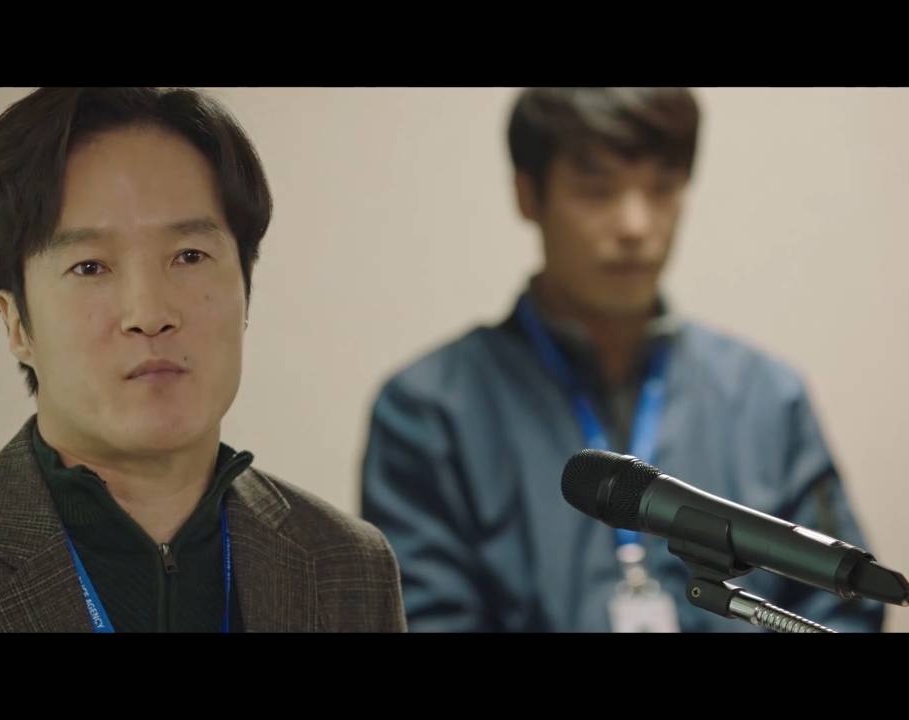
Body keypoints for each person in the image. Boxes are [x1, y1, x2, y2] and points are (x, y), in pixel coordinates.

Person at [0, 87, 406, 632]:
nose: (150, 312)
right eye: (90, 267)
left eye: (189, 256)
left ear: (246, 289)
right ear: (16, 323)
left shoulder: (346, 566)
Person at [361, 87, 882, 632]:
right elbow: (422, 619)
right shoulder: (429, 411)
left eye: (662, 188)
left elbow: (845, 606)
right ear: (528, 195)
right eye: (597, 190)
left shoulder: (767, 398)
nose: (635, 225)